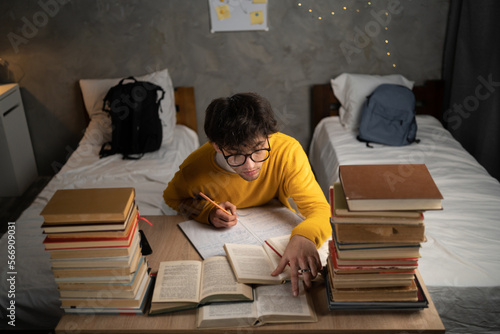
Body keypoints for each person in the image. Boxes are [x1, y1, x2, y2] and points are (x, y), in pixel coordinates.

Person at [163, 92, 331, 296]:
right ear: (216, 146)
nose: (251, 165)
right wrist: (206, 212)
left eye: (259, 150)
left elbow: (320, 209)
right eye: (235, 155)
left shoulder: (287, 151)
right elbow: (172, 199)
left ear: (268, 136)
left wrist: (305, 236)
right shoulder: (193, 169)